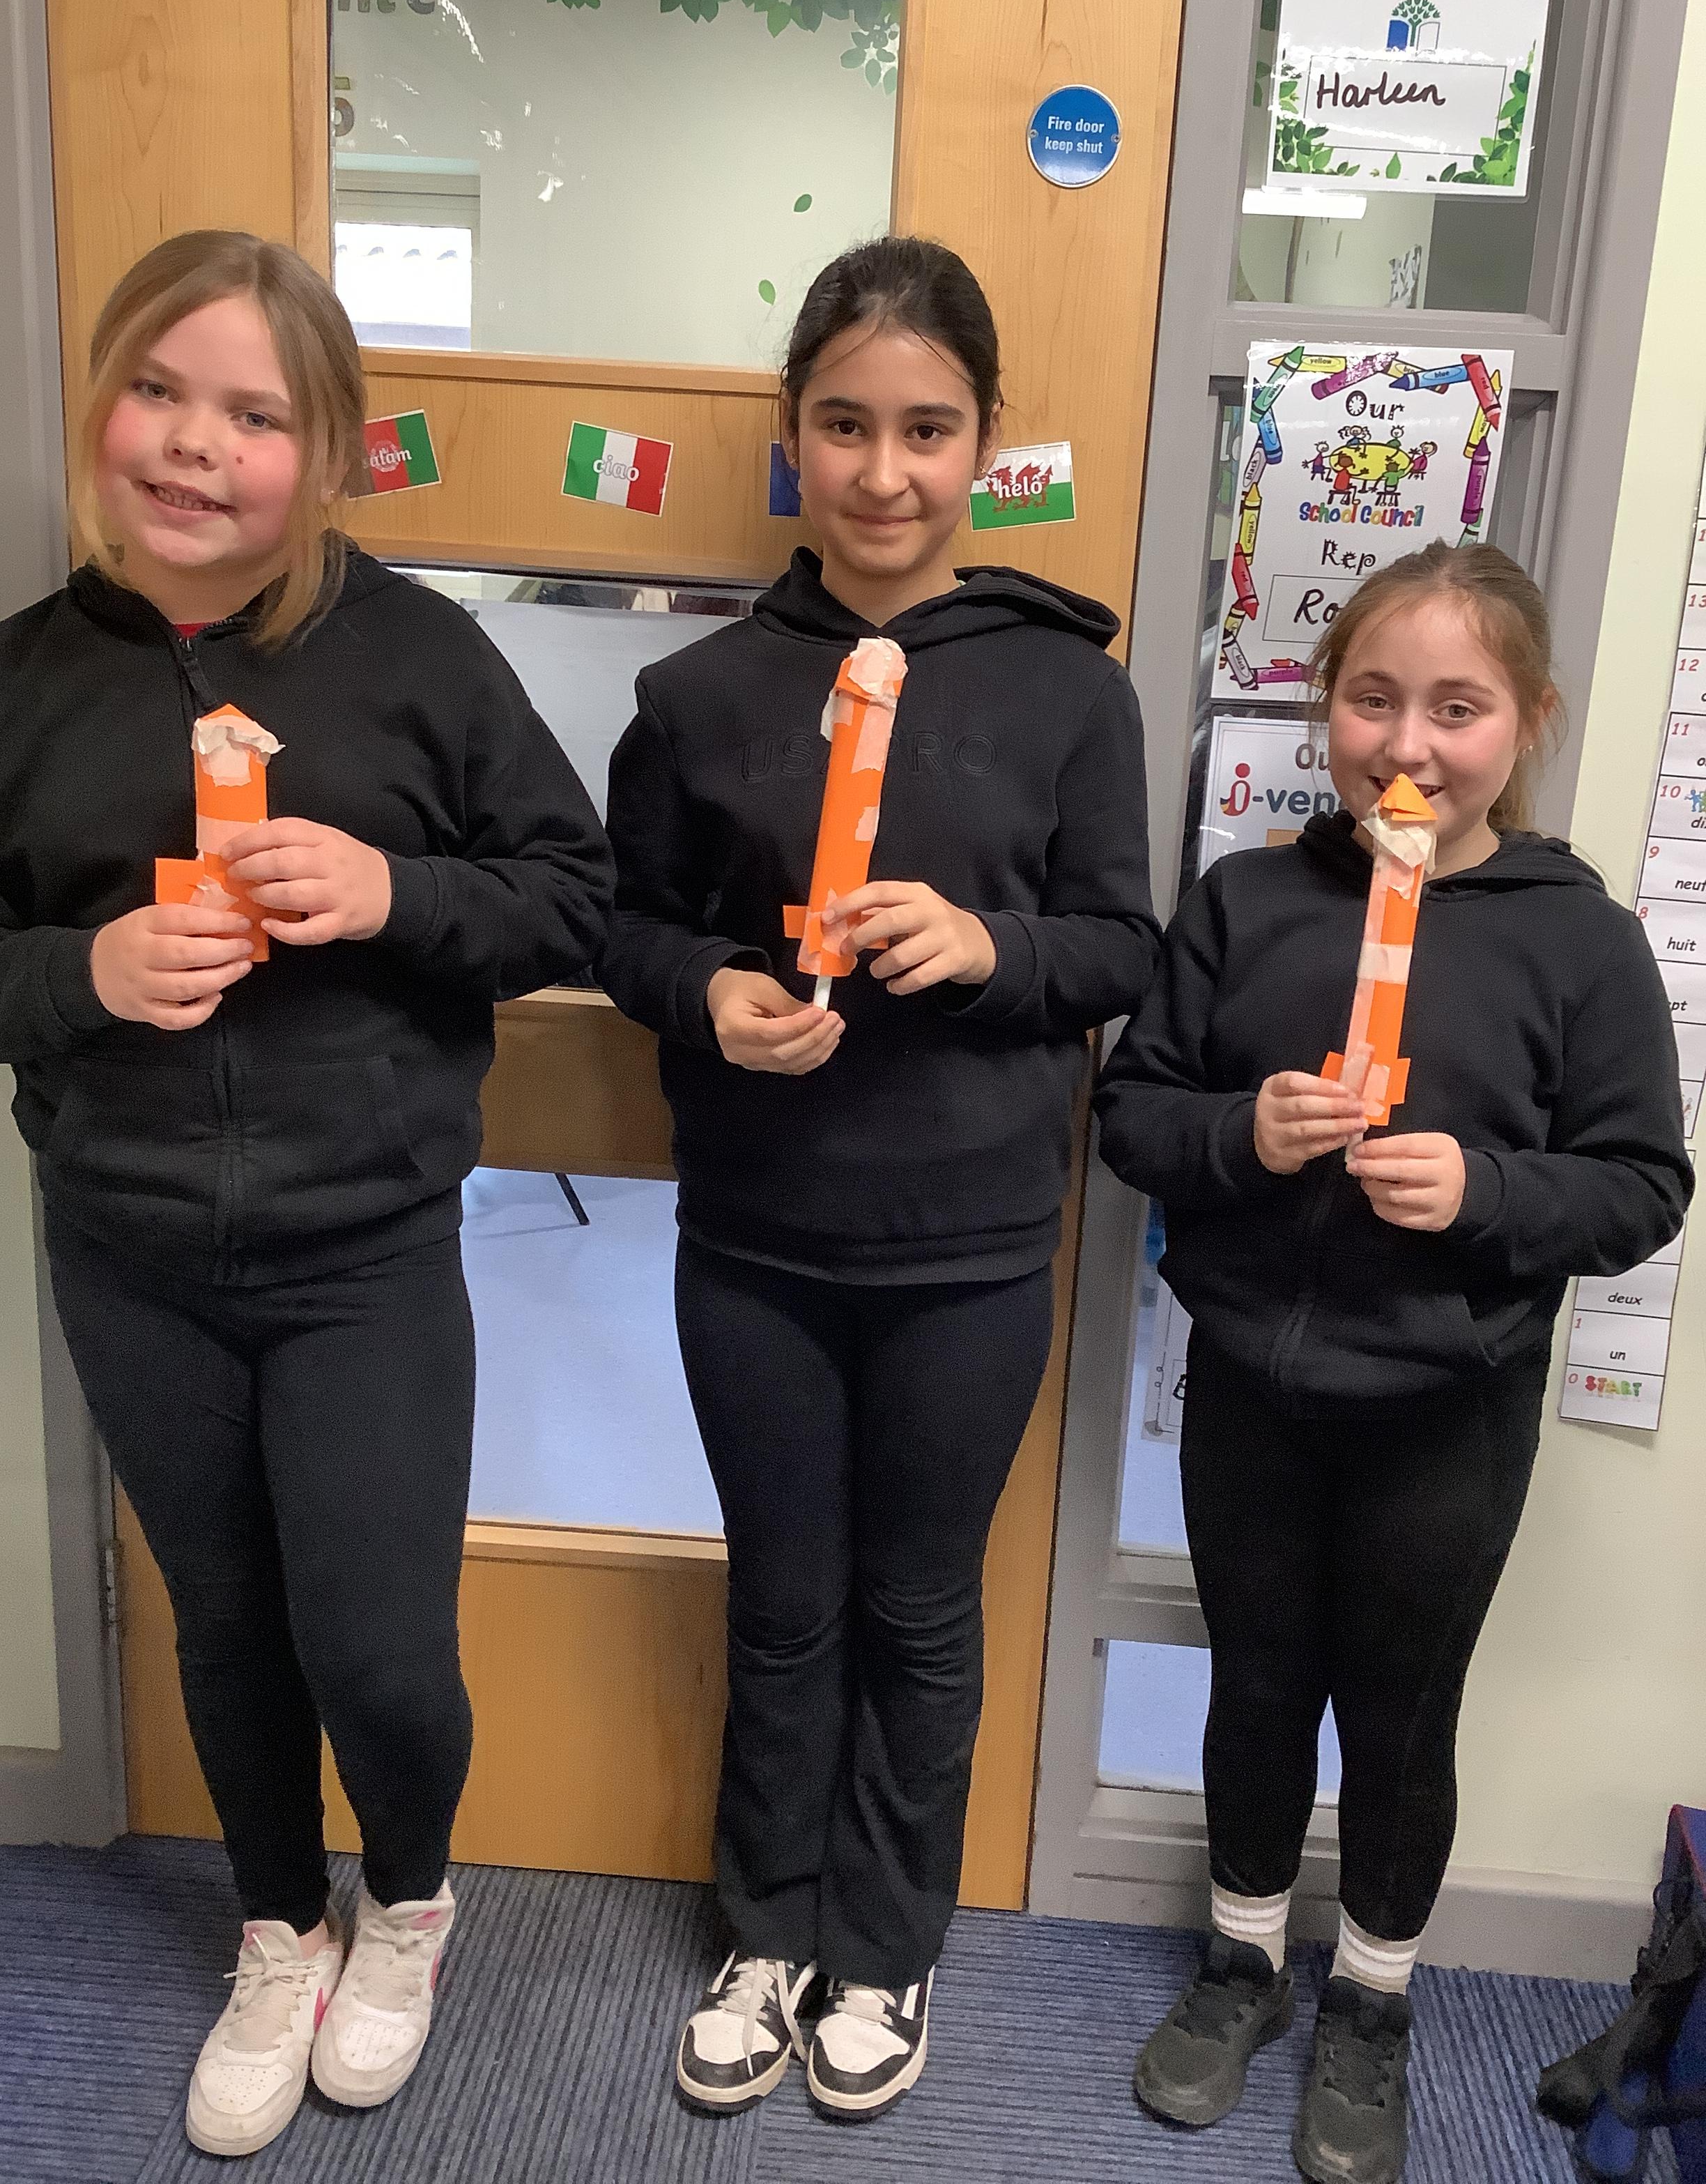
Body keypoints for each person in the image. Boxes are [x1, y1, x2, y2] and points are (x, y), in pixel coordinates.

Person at [0, 231, 612, 2158]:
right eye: (158, 391)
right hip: (128, 1245)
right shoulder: (26, 679)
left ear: (329, 454)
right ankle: (280, 1931)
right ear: (102, 407)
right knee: (226, 1628)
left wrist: (390, 895)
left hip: (366, 1251)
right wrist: (81, 976)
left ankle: (405, 1908)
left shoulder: (419, 658)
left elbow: (572, 899)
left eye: (254, 415)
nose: (195, 445)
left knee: (379, 1648)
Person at [601, 235, 1158, 2121]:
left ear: (987, 438)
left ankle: (887, 1942)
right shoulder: (699, 694)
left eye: (928, 428)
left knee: (920, 1605)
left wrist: (990, 946)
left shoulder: (1070, 690)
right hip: (758, 1238)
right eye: (845, 425)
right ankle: (767, 1927)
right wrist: (712, 992)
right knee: (783, 1599)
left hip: (974, 1246)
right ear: (793, 434)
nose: (886, 471)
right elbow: (625, 929)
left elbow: (1123, 949)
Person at [1096, 540, 1691, 2184]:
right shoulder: (1247, 904)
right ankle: (1241, 1965)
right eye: (1372, 700)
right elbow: (1135, 1114)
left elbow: (1642, 1186)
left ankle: (1372, 1998)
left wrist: (1485, 1191)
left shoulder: (1581, 943)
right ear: (1323, 709)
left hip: (1450, 1410)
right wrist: (1246, 1129)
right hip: (1253, 1392)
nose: (1408, 745)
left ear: (1530, 722)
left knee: (1401, 1719)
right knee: (1255, 1689)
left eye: (1457, 707)